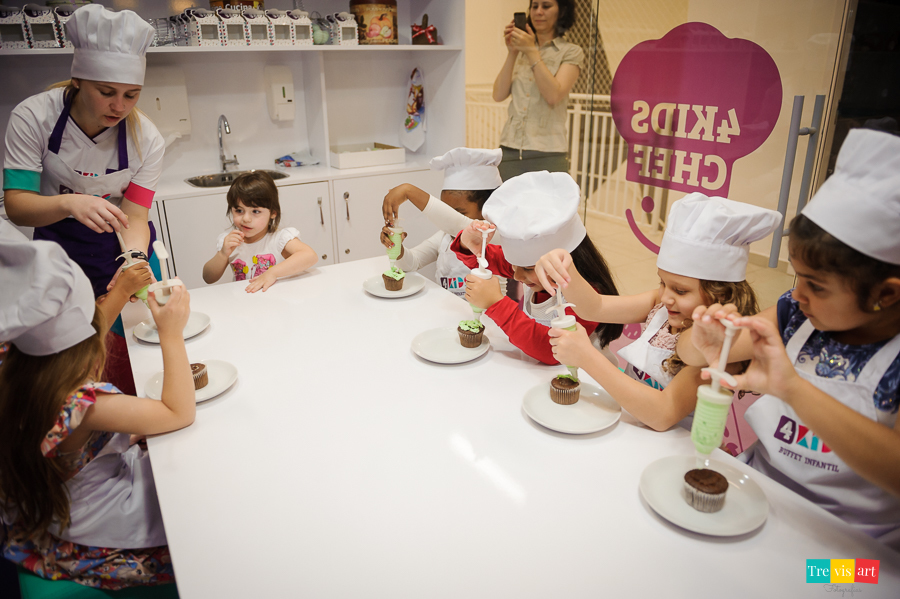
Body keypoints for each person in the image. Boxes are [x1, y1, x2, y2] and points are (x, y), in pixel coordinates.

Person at [680, 129, 900, 548]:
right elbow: (689, 353)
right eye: (797, 277)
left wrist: (792, 390)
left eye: (816, 286)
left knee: (830, 586)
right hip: (758, 497)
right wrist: (705, 339)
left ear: (886, 293)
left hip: (860, 546)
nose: (797, 294)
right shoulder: (795, 313)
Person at [0, 222, 194, 588]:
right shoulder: (83, 404)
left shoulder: (15, 366)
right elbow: (178, 412)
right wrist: (171, 332)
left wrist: (120, 291)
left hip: (56, 504)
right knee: (199, 524)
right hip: (99, 518)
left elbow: (72, 330)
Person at [3, 6, 164, 395]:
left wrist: (136, 260)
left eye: (131, 95)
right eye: (107, 92)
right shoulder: (34, 118)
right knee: (73, 365)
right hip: (59, 252)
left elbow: (135, 215)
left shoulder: (147, 139)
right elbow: (17, 204)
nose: (120, 107)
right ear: (77, 80)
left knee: (139, 354)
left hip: (122, 247)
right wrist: (70, 204)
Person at [535, 193, 782, 431]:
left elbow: (663, 414)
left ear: (721, 295)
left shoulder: (718, 346)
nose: (665, 297)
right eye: (662, 282)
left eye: (681, 291)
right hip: (627, 421)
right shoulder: (660, 305)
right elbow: (594, 307)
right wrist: (565, 269)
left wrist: (586, 357)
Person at [452, 171, 621, 365]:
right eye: (514, 265)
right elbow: (486, 259)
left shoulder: (586, 294)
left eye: (528, 268)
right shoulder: (531, 271)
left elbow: (553, 351)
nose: (516, 275)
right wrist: (469, 243)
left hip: (588, 381)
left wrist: (496, 304)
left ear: (567, 259)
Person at [380, 147, 506, 297]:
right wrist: (397, 248)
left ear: (487, 210)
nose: (448, 218)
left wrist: (409, 191)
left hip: (485, 320)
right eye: (446, 209)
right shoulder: (444, 238)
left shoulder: (496, 237)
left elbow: (458, 224)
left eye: (458, 212)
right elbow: (411, 263)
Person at [492, 0, 582, 180]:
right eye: (534, 6)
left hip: (548, 152)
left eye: (546, 6)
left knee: (547, 207)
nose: (538, 12)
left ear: (561, 12)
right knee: (507, 206)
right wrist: (512, 52)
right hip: (510, 148)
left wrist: (531, 51)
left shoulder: (571, 51)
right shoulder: (521, 50)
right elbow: (498, 95)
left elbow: (553, 95)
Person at [202, 171, 318, 292]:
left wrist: (272, 273)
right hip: (245, 302)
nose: (246, 219)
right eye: (239, 210)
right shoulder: (229, 241)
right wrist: (222, 254)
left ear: (273, 213)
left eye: (256, 211)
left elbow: (310, 256)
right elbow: (208, 278)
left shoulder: (279, 239)